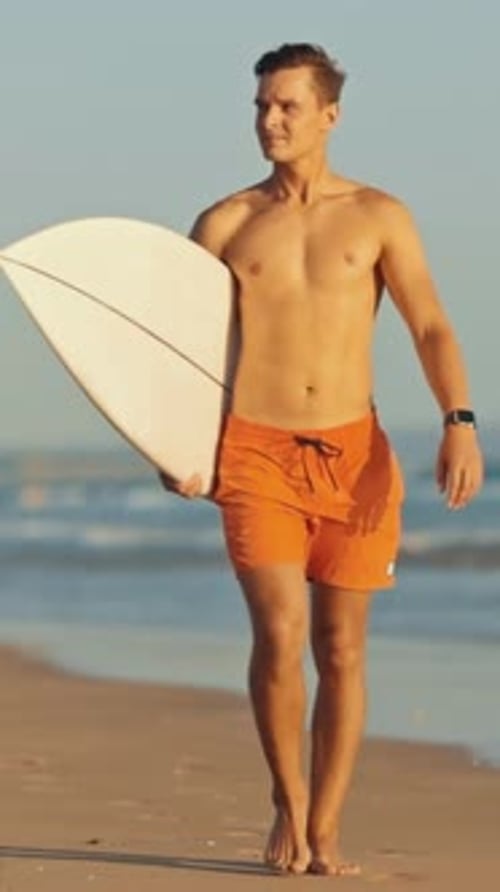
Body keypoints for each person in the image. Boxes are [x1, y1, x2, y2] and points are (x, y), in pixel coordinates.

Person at [161, 43, 484, 876]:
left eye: (287, 107)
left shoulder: (379, 216)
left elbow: (431, 326)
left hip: (355, 453)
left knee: (341, 651)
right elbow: (183, 351)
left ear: (329, 116)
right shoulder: (225, 223)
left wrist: (459, 420)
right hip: (254, 449)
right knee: (280, 632)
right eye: (262, 106)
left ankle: (328, 824)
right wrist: (172, 442)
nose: (270, 120)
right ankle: (288, 804)